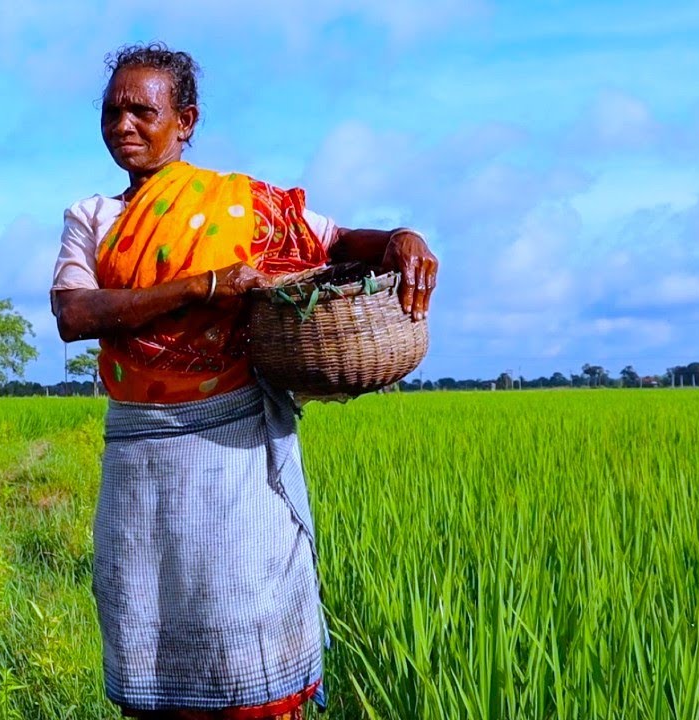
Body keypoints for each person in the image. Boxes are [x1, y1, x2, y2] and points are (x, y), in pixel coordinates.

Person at [50, 43, 438, 719]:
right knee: (145, 609)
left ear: (186, 121)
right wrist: (204, 285)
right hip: (141, 453)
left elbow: (341, 241)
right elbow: (75, 312)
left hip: (233, 453)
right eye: (113, 112)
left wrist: (402, 237)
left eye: (143, 110)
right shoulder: (93, 217)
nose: (123, 125)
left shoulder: (242, 205)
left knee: (243, 608)